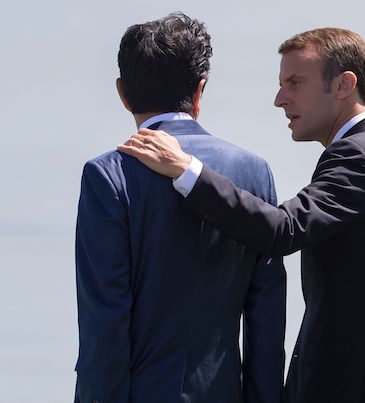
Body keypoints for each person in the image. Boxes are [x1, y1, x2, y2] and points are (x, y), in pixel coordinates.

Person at [118, 27, 365, 403]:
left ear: (344, 85)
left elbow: (281, 230)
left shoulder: (359, 157)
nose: (279, 99)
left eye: (295, 82)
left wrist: (186, 169)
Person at [74, 12, 285, 403]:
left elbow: (104, 327)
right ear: (200, 90)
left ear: (122, 92)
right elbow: (266, 322)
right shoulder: (255, 172)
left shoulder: (107, 176)